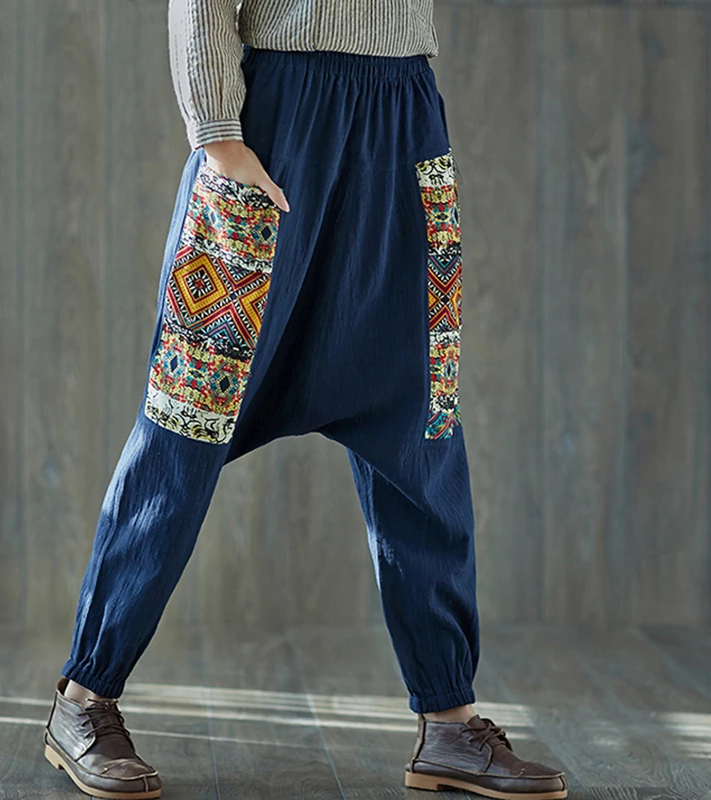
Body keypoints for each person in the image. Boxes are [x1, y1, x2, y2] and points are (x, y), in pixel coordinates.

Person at [41, 2, 569, 799]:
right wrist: (217, 131)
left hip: (404, 121)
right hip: (273, 126)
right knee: (185, 424)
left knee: (423, 432)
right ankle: (83, 699)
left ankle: (450, 722)